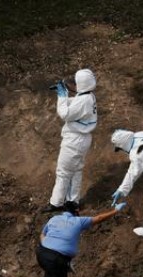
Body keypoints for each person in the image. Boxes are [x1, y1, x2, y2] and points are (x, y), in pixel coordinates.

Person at [43, 69, 98, 213]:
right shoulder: (88, 96)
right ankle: (72, 202)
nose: (73, 83)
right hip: (82, 139)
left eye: (76, 81)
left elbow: (65, 114)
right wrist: (64, 95)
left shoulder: (84, 100)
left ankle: (56, 203)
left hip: (74, 140)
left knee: (63, 172)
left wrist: (61, 96)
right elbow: (74, 102)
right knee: (76, 170)